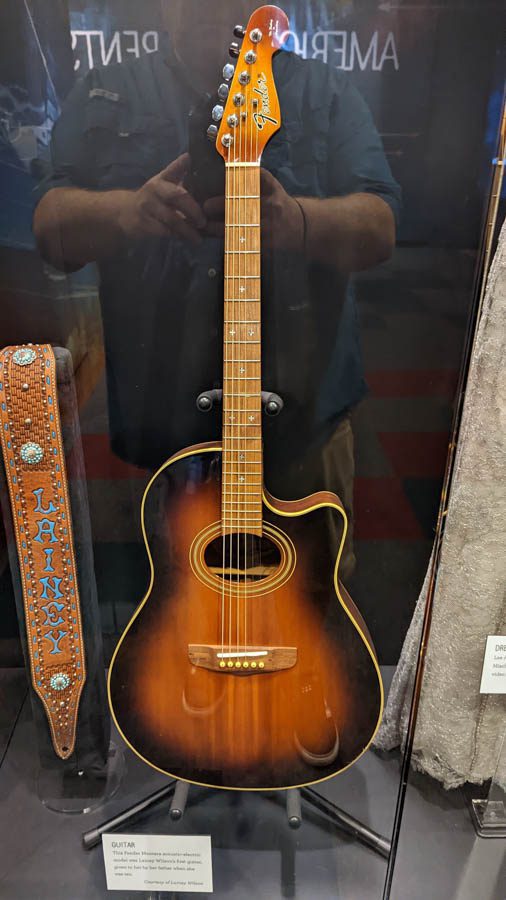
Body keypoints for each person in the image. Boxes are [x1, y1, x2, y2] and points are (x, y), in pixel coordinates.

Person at [33, 0, 401, 581]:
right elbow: (51, 224)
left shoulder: (320, 89)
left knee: (318, 614)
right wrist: (130, 211)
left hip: (303, 428)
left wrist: (296, 222)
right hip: (165, 436)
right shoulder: (107, 89)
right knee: (167, 613)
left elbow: (381, 225)